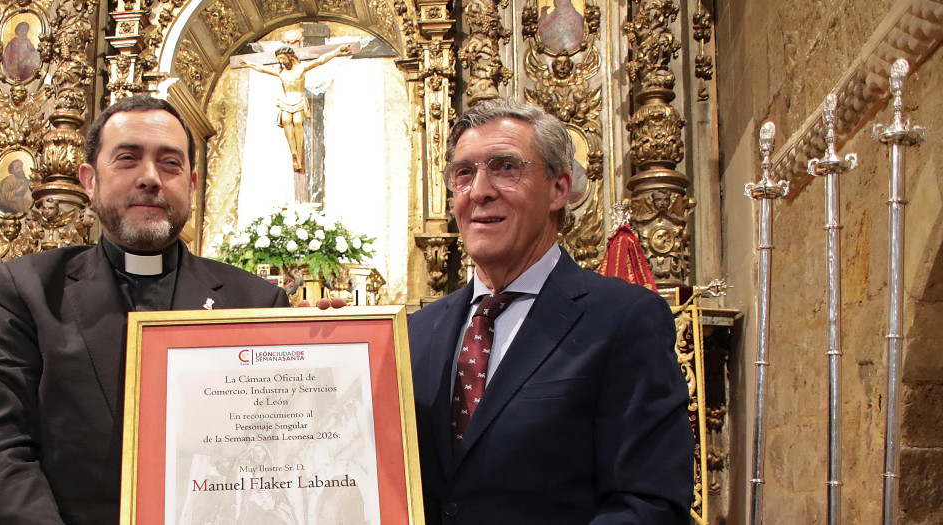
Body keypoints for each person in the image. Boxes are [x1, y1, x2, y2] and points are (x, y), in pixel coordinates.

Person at [0, 95, 290, 524]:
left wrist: (332, 346)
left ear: (192, 184)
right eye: (127, 159)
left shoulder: (256, 302)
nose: (150, 178)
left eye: (170, 163)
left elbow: (286, 451)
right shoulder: (30, 290)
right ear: (89, 180)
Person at [408, 97, 693, 524]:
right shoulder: (417, 331)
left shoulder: (624, 319)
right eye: (464, 173)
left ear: (559, 188)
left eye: (506, 167)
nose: (480, 191)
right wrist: (334, 350)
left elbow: (649, 503)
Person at [239, 44, 350, 202]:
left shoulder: (301, 69)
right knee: (286, 121)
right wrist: (249, 63)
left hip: (298, 99)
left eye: (283, 59)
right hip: (286, 100)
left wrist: (337, 51)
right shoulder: (281, 72)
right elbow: (263, 69)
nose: (282, 62)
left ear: (290, 56)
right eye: (280, 60)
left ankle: (298, 151)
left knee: (298, 122)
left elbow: (320, 60)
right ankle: (294, 154)